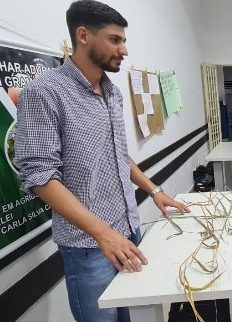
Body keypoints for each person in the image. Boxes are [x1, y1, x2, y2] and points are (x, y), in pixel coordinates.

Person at [14, 1, 189, 321]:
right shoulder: (45, 92)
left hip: (128, 232)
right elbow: (38, 175)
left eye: (123, 40)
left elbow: (118, 154)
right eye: (114, 40)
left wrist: (154, 191)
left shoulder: (112, 92)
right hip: (88, 247)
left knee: (128, 316)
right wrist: (102, 233)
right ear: (83, 35)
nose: (123, 49)